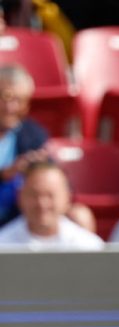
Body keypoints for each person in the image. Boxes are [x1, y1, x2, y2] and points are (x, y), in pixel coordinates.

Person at [0, 160, 104, 250]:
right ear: (20, 196)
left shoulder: (88, 247)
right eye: (34, 195)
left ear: (67, 197)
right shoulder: (4, 245)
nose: (42, 204)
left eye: (50, 195)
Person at [0, 64, 49, 226]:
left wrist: (37, 171)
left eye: (18, 100)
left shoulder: (34, 135)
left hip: (19, 219)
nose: (10, 107)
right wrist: (5, 175)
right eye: (4, 98)